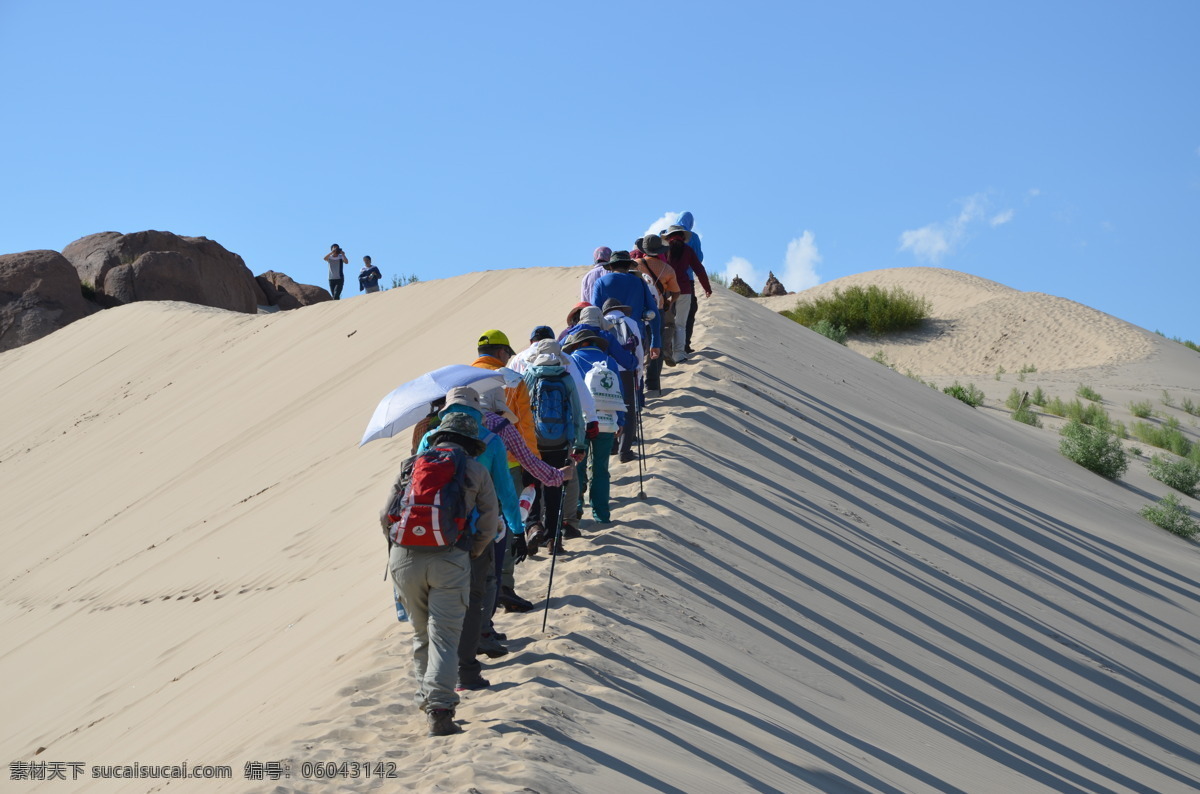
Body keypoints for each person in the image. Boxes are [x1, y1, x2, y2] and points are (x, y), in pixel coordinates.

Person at [382, 411, 498, 736]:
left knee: (422, 636)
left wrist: (397, 551)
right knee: (445, 637)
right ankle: (441, 710)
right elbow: (490, 520)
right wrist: (472, 550)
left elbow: (385, 514)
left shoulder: (411, 466)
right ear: (470, 443)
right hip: (450, 558)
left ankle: (428, 701)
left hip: (405, 559)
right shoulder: (475, 470)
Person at [416, 387, 522, 686]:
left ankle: (433, 677)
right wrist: (517, 528)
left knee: (437, 603)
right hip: (475, 533)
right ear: (479, 412)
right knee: (475, 596)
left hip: (431, 532)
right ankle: (467, 670)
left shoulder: (429, 438)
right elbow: (504, 491)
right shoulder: (490, 440)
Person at [472, 330, 540, 608]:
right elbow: (523, 424)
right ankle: (504, 584)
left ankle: (481, 588)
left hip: (472, 465)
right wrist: (531, 463)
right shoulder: (505, 380)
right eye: (508, 354)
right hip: (508, 461)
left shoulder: (463, 380)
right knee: (509, 521)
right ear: (501, 353)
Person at [522, 341, 587, 555]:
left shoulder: (530, 376)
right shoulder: (566, 378)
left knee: (531, 486)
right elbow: (577, 414)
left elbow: (523, 412)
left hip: (534, 444)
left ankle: (533, 526)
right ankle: (554, 540)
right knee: (555, 491)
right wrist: (579, 443)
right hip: (559, 444)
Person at [563, 329, 624, 522]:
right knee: (601, 468)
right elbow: (619, 392)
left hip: (581, 423)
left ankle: (578, 507)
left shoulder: (571, 360)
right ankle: (601, 514)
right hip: (606, 422)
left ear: (579, 344)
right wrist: (620, 421)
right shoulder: (610, 360)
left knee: (577, 467)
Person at [600, 296, 645, 462]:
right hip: (626, 371)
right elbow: (639, 349)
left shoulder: (601, 324)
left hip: (605, 371)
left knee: (608, 404)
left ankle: (611, 445)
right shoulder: (630, 322)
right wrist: (639, 372)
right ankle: (624, 451)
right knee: (628, 409)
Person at [663, 224, 712, 362]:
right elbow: (699, 270)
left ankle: (666, 350)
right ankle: (678, 353)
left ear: (668, 238)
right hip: (684, 290)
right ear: (683, 236)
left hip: (666, 291)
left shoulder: (664, 251)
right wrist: (707, 287)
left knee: (667, 322)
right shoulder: (688, 250)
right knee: (681, 324)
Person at [635, 235, 680, 384]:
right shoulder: (667, 269)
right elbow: (676, 292)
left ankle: (638, 380)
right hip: (658, 309)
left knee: (639, 345)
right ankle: (653, 382)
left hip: (638, 310)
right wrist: (670, 302)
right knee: (657, 344)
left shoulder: (635, 265)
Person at [677, 212, 705, 353]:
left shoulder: (665, 233)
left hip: (666, 279)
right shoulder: (692, 237)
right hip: (687, 279)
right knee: (689, 311)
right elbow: (698, 258)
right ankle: (685, 345)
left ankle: (668, 346)